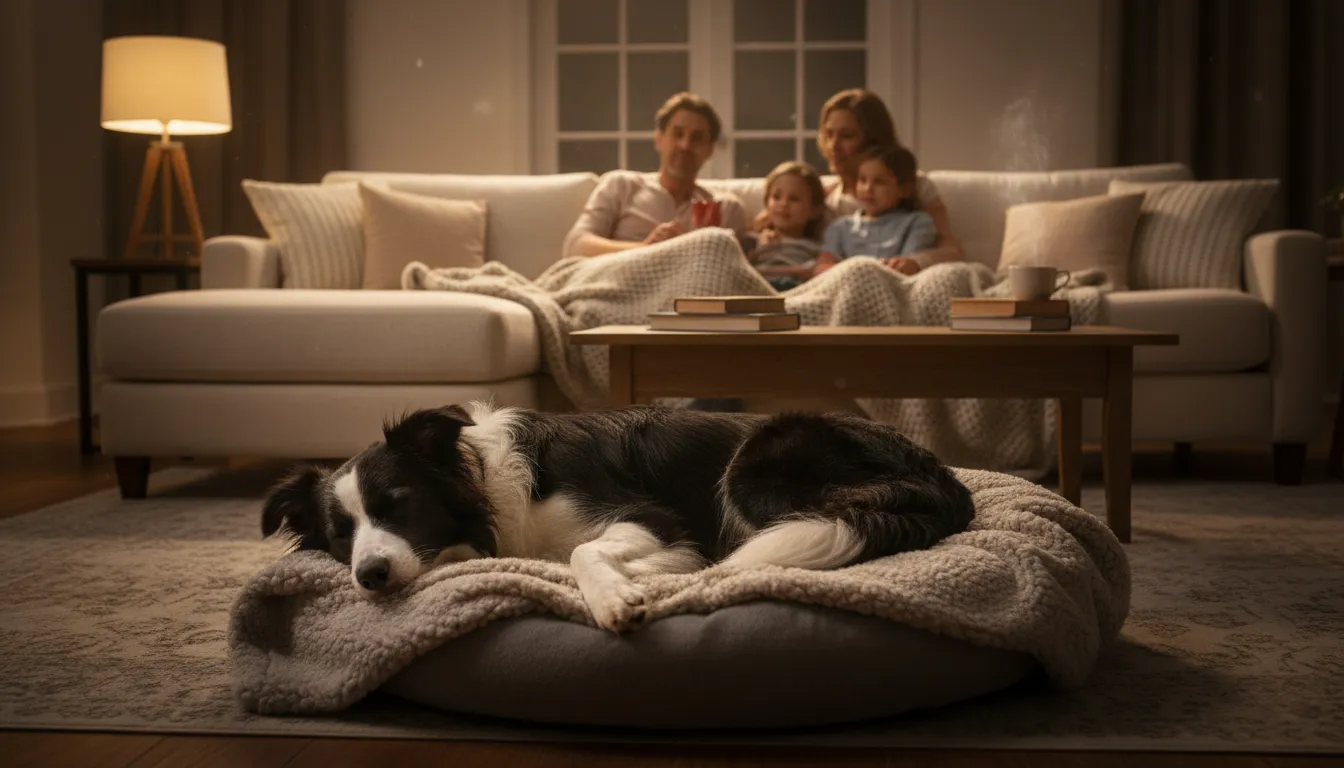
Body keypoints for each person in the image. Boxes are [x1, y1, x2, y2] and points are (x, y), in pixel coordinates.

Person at [562, 92, 748, 258]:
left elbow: (735, 269)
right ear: (659, 140)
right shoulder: (621, 185)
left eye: (697, 138)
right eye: (677, 134)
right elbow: (576, 246)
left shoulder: (726, 209)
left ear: (709, 150)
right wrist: (645, 248)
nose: (685, 146)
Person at [816, 88, 963, 271]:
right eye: (828, 134)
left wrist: (912, 262)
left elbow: (952, 250)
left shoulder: (917, 185)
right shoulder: (823, 198)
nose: (833, 146)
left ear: (872, 140)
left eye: (847, 136)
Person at [813, 145, 937, 276]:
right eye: (862, 180)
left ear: (904, 189)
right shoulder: (840, 227)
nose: (868, 189)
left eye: (879, 182)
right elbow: (822, 266)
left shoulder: (917, 222)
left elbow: (906, 267)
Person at [743, 161, 828, 291]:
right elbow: (736, 269)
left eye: (794, 199)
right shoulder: (752, 240)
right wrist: (758, 249)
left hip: (796, 292)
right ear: (766, 203)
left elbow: (818, 274)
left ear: (814, 210)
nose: (783, 204)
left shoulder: (816, 248)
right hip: (754, 291)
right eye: (776, 197)